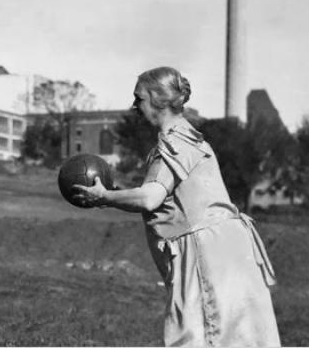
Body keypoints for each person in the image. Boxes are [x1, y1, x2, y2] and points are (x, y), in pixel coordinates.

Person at [73, 66, 280, 347]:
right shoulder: (191, 137)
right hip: (226, 249)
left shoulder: (174, 142)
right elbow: (163, 200)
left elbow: (149, 198)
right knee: (237, 339)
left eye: (139, 99)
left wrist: (103, 197)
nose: (135, 107)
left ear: (159, 100)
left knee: (201, 339)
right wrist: (116, 194)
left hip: (207, 253)